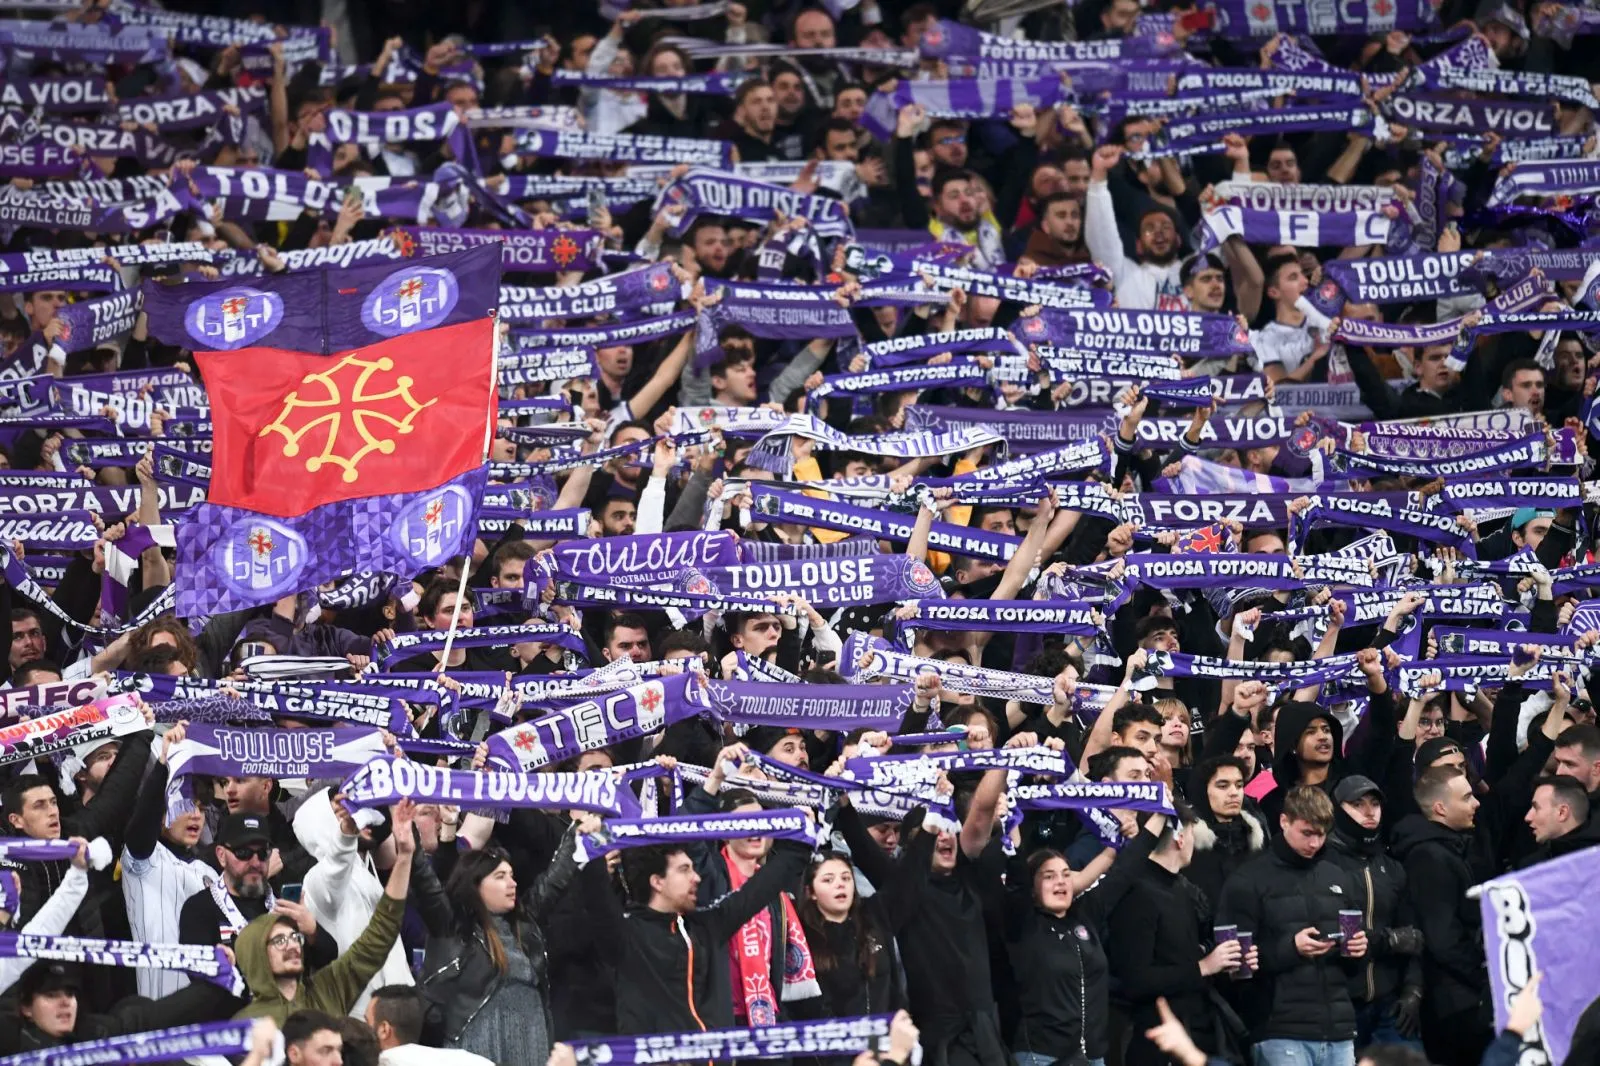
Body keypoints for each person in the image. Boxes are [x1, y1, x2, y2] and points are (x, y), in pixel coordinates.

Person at [580, 809, 815, 1033]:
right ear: (657, 882)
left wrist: (802, 839)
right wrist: (591, 845)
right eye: (684, 870)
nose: (696, 877)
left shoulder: (706, 926)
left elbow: (759, 889)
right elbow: (596, 896)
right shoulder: (625, 936)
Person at [410, 818, 583, 1066]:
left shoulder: (525, 921)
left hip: (531, 1039)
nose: (512, 884)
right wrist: (407, 833)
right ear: (475, 884)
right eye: (500, 876)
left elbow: (555, 879)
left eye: (511, 875)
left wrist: (578, 830)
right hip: (477, 1042)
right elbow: (423, 879)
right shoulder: (452, 925)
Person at [233, 801, 417, 1025]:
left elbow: (382, 931)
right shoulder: (318, 878)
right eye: (279, 940)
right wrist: (346, 836)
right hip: (364, 1019)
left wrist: (406, 855)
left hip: (391, 1014)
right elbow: (335, 868)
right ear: (255, 954)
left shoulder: (327, 990)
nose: (292, 945)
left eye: (294, 937)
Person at [366, 986, 495, 1066]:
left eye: (366, 1022)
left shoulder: (385, 1060)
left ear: (384, 1030)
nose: (361, 1028)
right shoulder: (468, 1060)